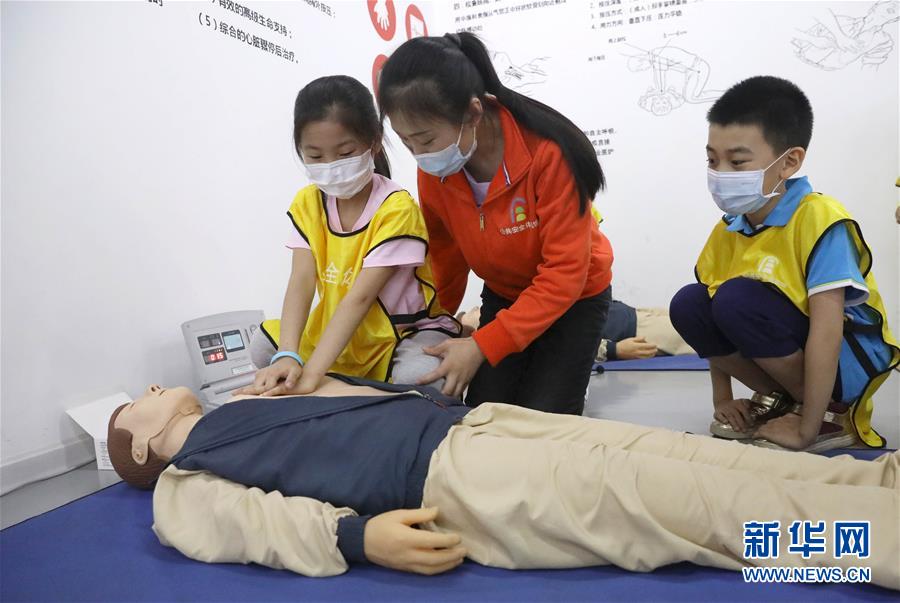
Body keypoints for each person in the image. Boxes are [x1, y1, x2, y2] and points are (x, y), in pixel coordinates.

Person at [107, 379, 900, 589]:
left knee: (691, 456)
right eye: (135, 400)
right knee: (700, 514)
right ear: (139, 443)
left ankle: (879, 484)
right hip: (458, 480)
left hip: (480, 425)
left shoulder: (244, 405)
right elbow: (251, 525)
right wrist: (356, 537)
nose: (150, 387)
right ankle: (875, 546)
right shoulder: (184, 480)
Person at [376, 32, 614, 414]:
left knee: (542, 419)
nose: (420, 155)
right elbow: (445, 258)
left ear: (473, 112)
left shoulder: (547, 155)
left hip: (575, 299)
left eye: (426, 139)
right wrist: (432, 324)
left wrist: (482, 345)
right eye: (407, 143)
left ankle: (568, 382)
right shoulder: (435, 172)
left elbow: (565, 274)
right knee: (485, 411)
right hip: (505, 294)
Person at [669, 76, 899, 452]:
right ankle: (786, 401)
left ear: (789, 162)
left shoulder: (819, 219)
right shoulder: (728, 229)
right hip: (796, 359)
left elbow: (828, 330)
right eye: (712, 160)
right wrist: (722, 400)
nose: (721, 173)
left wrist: (807, 430)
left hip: (846, 362)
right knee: (690, 303)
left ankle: (829, 415)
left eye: (737, 162)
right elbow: (707, 313)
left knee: (736, 299)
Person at [246, 76, 459, 396]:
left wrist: (312, 376)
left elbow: (360, 299)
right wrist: (287, 355)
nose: (330, 166)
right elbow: (301, 281)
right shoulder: (308, 202)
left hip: (398, 333)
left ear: (374, 143)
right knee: (264, 347)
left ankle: (338, 380)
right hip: (338, 326)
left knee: (420, 376)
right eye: (315, 156)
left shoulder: (396, 208)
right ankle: (339, 379)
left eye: (345, 153)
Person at [459, 302, 694, 362]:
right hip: (636, 331)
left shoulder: (511, 312)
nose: (476, 308)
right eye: (471, 312)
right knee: (705, 333)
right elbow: (562, 343)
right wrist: (613, 350)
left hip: (632, 313)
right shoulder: (511, 333)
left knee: (696, 314)